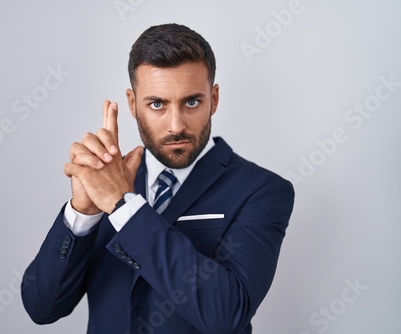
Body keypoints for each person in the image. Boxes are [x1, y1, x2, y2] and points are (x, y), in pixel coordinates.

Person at [21, 23, 295, 334]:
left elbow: (227, 314)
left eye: (191, 102)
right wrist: (83, 212)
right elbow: (41, 308)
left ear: (214, 99)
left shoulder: (262, 191)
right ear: (132, 104)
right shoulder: (107, 182)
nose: (176, 125)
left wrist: (123, 205)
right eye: (157, 104)